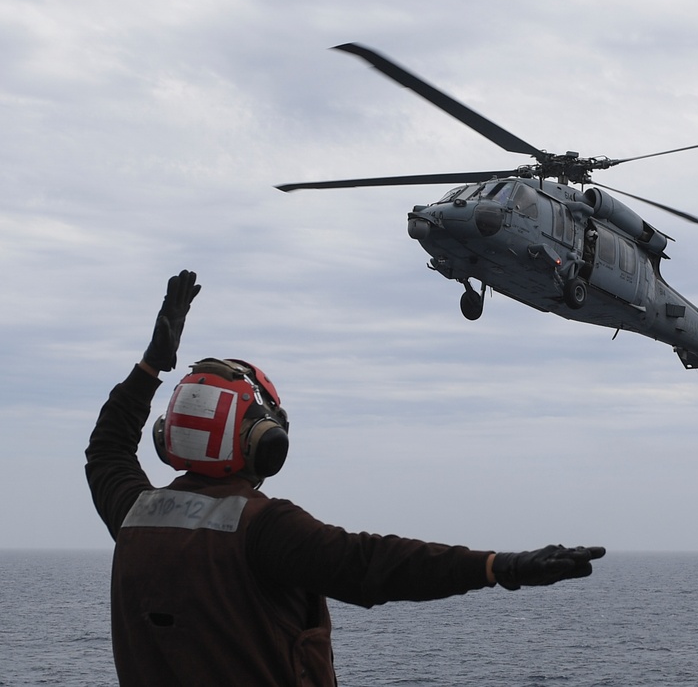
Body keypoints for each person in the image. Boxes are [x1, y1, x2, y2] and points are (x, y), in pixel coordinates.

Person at [85, 270, 605, 686]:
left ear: (168, 437)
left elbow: (107, 449)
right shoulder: (263, 529)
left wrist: (152, 365)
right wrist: (498, 566)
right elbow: (372, 565)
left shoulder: (135, 514)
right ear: (262, 443)